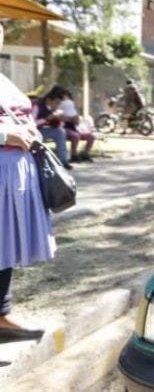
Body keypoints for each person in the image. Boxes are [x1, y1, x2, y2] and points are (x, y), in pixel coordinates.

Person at [0, 23, 55, 342]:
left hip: (15, 172)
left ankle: (2, 315)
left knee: (4, 243)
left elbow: (21, 115)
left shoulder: (3, 77)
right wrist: (6, 136)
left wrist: (30, 130)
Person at [31, 86, 71, 169]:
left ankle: (63, 161)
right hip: (33, 132)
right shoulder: (37, 106)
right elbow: (31, 123)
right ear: (49, 100)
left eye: (59, 103)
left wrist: (60, 120)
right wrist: (46, 119)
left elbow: (58, 126)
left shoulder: (54, 108)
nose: (57, 105)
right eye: (56, 103)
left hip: (42, 131)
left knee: (60, 132)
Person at [57, 87, 95, 163]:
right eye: (64, 97)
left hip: (75, 128)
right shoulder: (58, 106)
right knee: (75, 136)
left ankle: (85, 153)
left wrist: (76, 119)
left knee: (91, 136)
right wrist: (69, 119)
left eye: (67, 97)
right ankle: (74, 155)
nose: (66, 99)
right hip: (64, 128)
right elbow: (59, 118)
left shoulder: (71, 107)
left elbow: (77, 121)